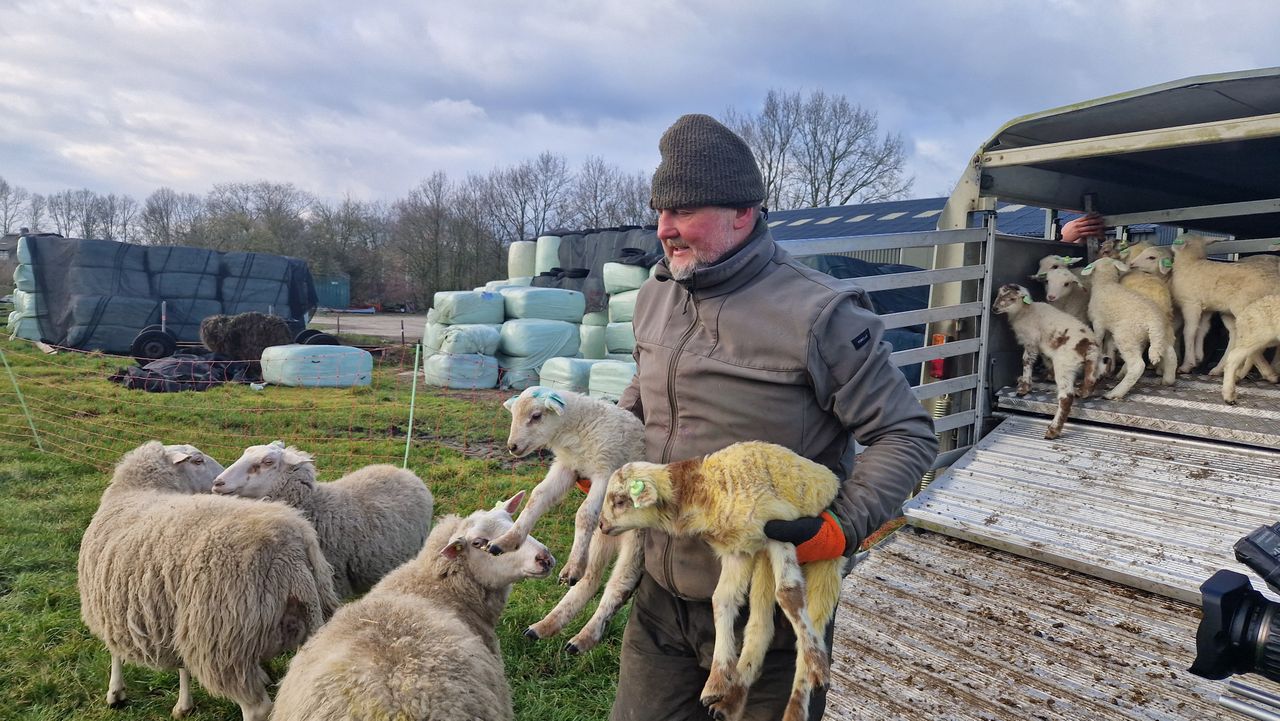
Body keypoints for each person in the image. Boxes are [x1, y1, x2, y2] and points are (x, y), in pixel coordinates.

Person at [611, 114, 939, 721]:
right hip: (660, 596)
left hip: (771, 605)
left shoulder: (818, 313)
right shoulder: (657, 292)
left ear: (745, 212)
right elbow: (649, 391)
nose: (664, 228)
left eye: (683, 210)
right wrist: (613, 445)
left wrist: (842, 527)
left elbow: (906, 434)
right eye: (659, 210)